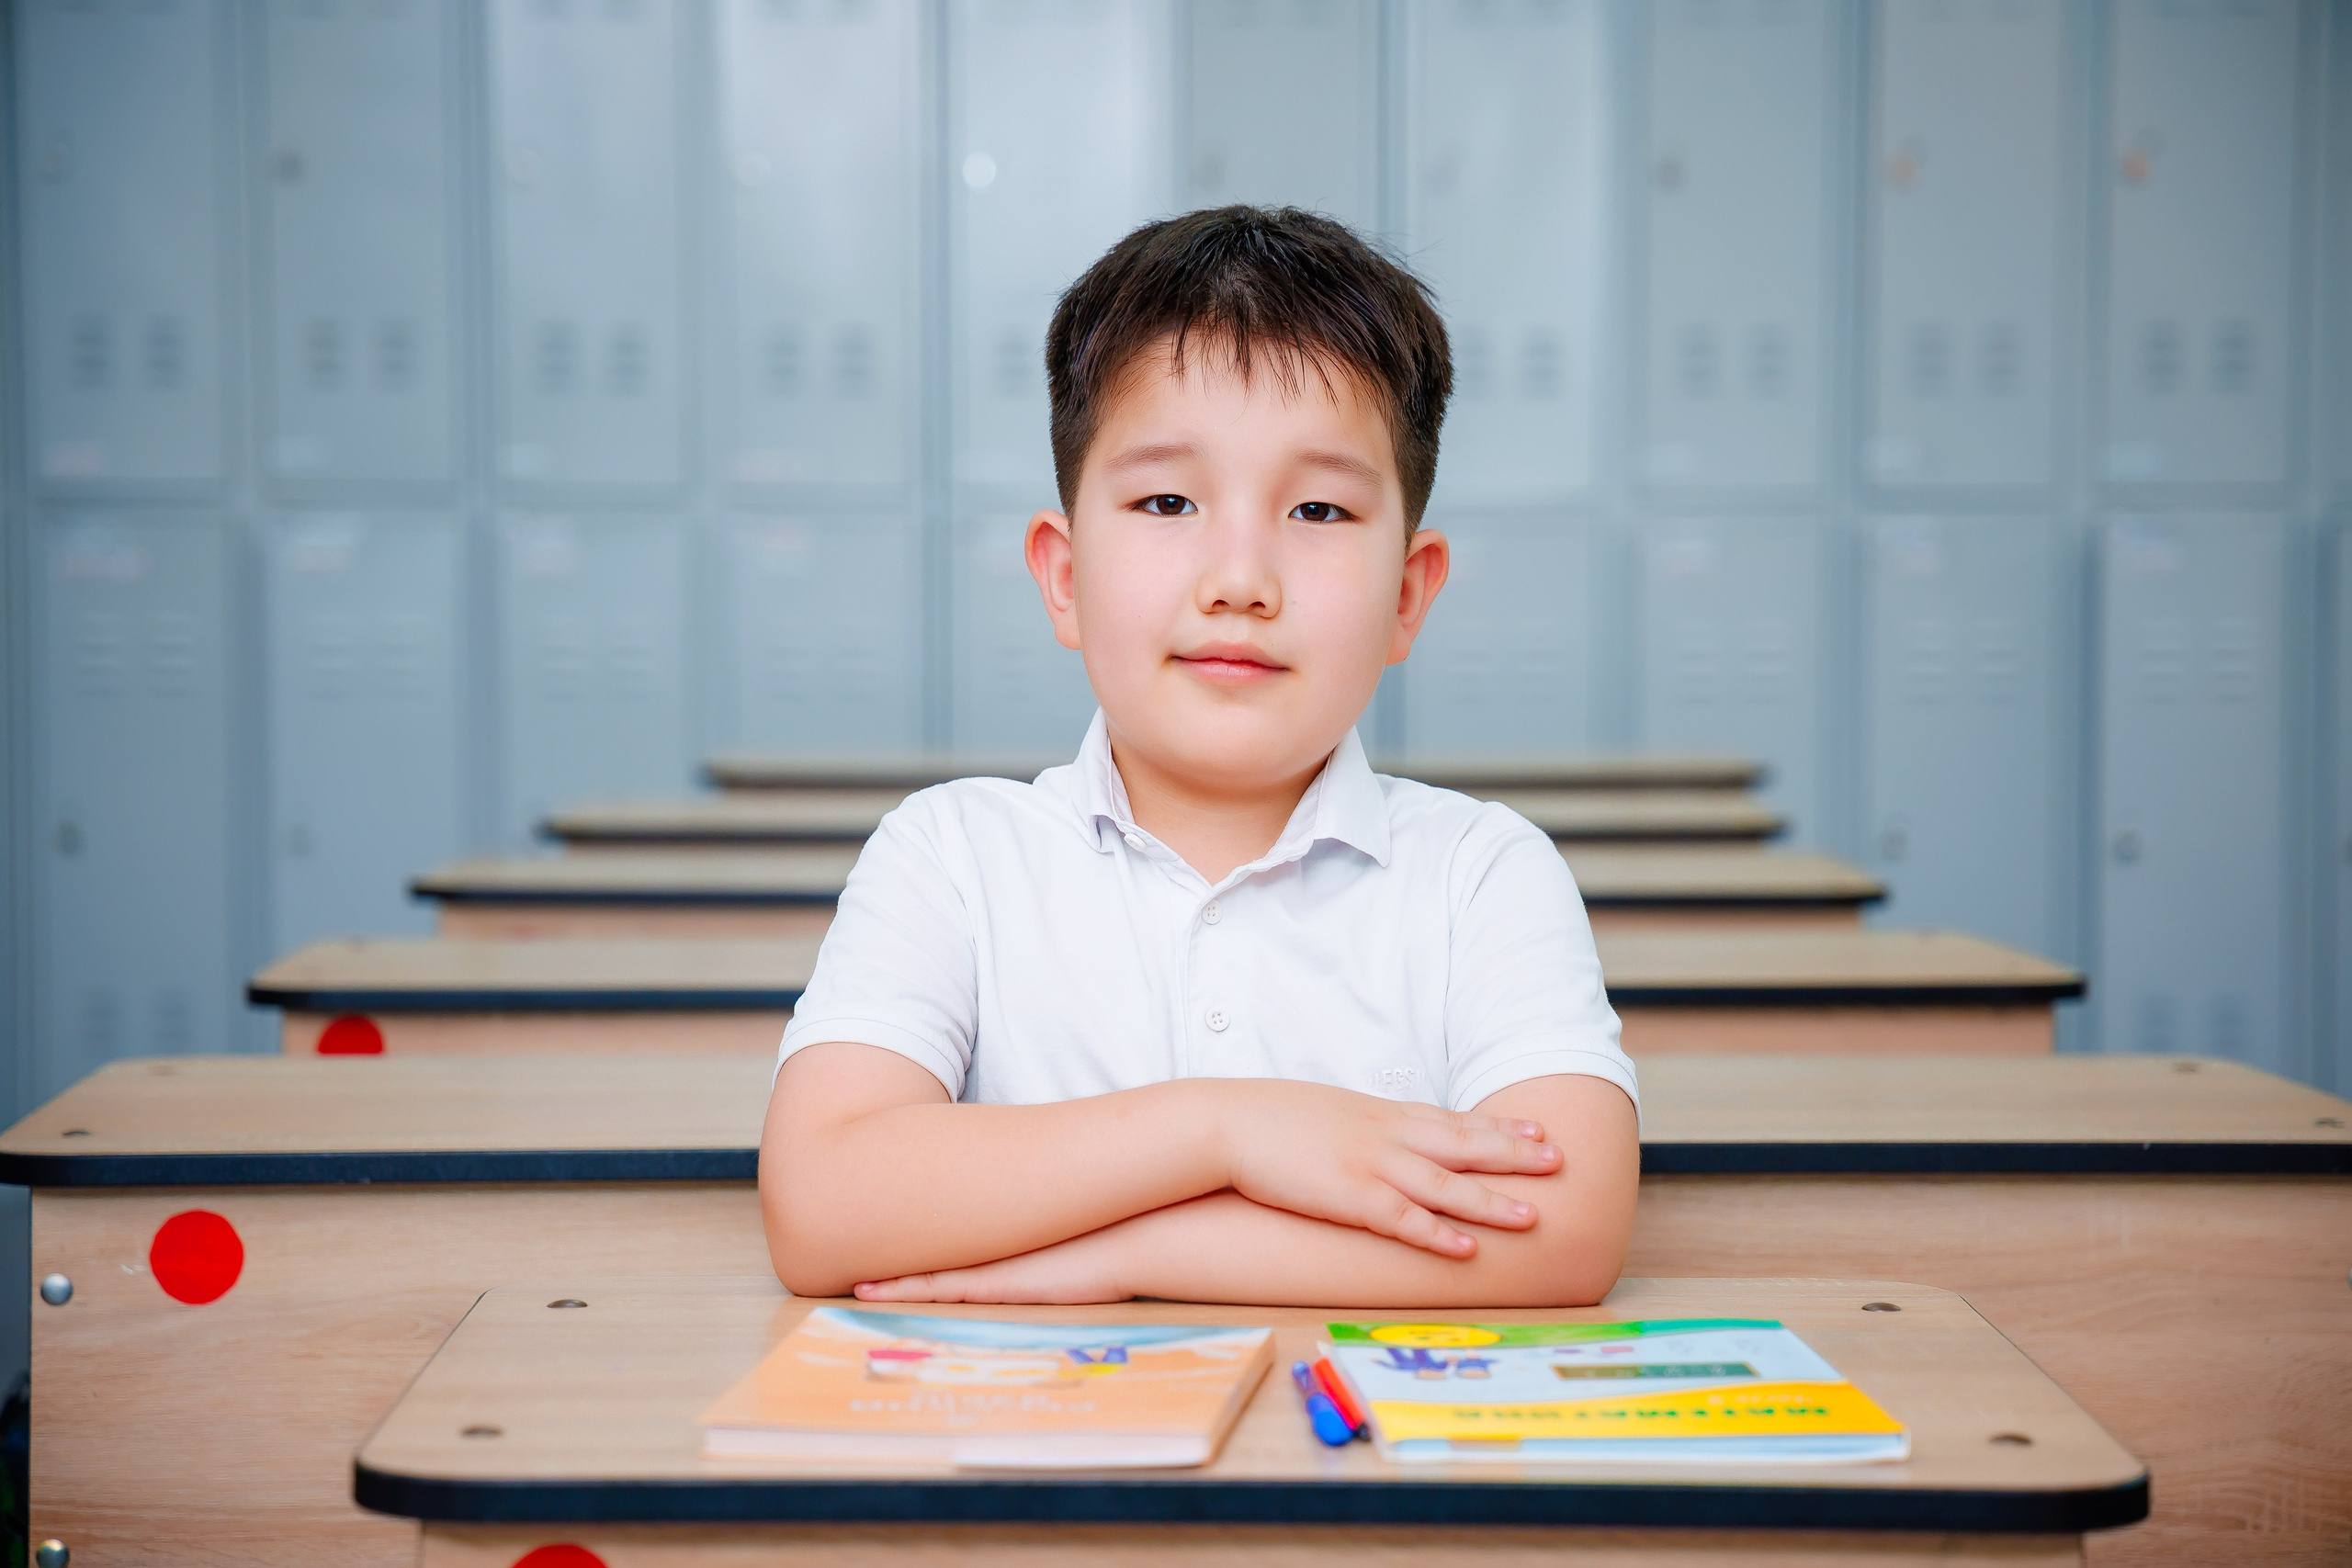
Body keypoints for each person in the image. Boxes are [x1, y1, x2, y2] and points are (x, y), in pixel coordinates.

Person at [761, 206, 1637, 1307]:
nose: (1239, 577)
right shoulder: (952, 857)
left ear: (1407, 595)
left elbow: (1564, 1230)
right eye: (1167, 500)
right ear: (1064, 576)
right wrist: (1229, 1128)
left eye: (1317, 508)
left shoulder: (1482, 872)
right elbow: (822, 1205)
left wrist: (1128, 1257)